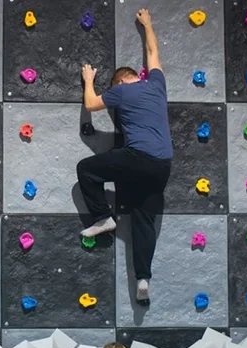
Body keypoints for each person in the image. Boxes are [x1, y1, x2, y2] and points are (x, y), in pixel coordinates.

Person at [76, 8, 172, 306]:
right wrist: (147, 24)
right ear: (137, 77)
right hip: (162, 166)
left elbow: (92, 104)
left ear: (118, 83)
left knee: (86, 169)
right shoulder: (156, 85)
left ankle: (103, 217)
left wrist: (88, 79)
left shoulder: (121, 93)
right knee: (143, 219)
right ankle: (143, 279)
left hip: (137, 157)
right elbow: (153, 51)